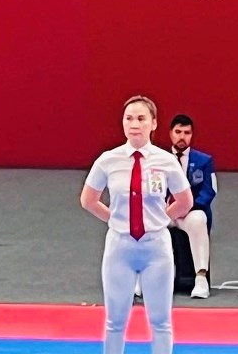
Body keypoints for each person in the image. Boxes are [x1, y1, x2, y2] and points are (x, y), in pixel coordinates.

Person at [80, 95, 192, 354]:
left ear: (153, 123)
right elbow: (88, 199)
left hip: (156, 248)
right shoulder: (108, 159)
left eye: (141, 118)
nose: (134, 124)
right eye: (129, 118)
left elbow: (185, 201)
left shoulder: (166, 161)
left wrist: (161, 219)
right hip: (120, 246)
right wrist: (117, 220)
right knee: (114, 321)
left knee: (161, 321)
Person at [167, 114, 216, 298]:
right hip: (167, 212)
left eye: (186, 133)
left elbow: (209, 191)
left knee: (198, 221)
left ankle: (201, 277)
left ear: (192, 135)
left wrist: (188, 207)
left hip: (190, 212)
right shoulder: (160, 159)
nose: (182, 137)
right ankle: (143, 278)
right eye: (178, 132)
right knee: (149, 224)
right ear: (170, 133)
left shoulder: (204, 161)